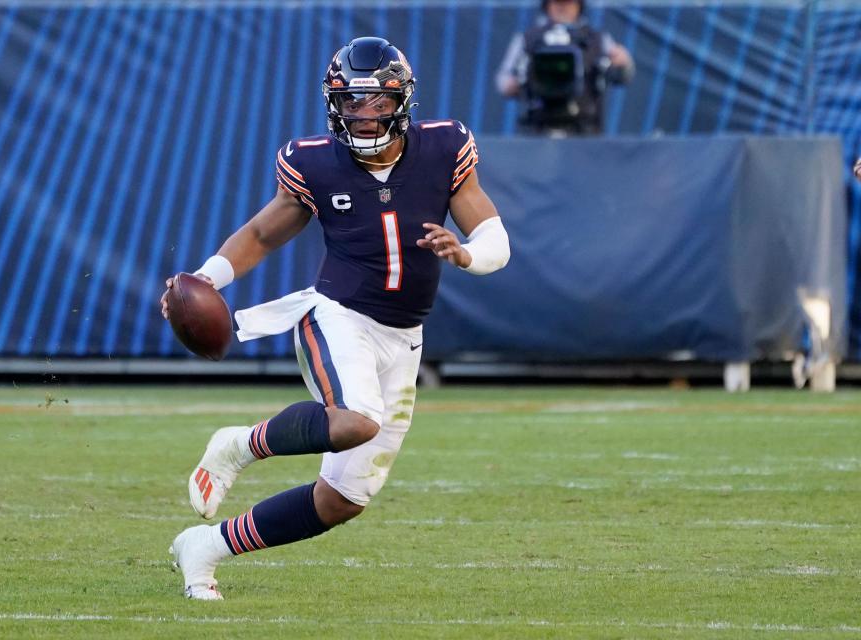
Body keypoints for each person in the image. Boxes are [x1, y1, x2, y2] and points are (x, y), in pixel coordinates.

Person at [161, 36, 510, 600]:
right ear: (333, 104)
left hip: (404, 336)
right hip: (338, 315)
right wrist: (203, 281)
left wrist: (467, 254)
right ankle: (239, 445)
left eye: (375, 102)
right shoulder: (315, 162)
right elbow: (258, 234)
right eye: (350, 103)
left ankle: (206, 547)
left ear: (402, 100)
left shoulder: (445, 147)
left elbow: (494, 237)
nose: (363, 116)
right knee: (355, 420)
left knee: (341, 501)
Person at [496, 0, 634, 135]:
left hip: (585, 130)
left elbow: (623, 76)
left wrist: (624, 62)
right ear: (547, 5)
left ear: (579, 5)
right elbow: (503, 80)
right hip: (539, 128)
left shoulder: (597, 39)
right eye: (557, 2)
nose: (562, 8)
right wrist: (516, 82)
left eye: (568, 2)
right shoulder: (528, 39)